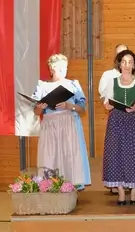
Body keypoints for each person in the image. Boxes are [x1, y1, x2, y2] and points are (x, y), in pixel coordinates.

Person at [32, 54, 91, 190]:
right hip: (50, 126)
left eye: (65, 68)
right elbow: (36, 111)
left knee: (69, 155)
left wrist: (70, 106)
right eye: (60, 68)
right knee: (50, 156)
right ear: (52, 69)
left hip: (68, 125)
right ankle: (51, 187)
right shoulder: (42, 86)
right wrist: (40, 108)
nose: (64, 71)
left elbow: (82, 108)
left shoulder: (72, 85)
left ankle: (70, 189)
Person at [102, 49, 135, 205]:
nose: (127, 65)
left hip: (134, 121)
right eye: (124, 61)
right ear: (119, 64)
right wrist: (108, 105)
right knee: (116, 154)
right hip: (116, 121)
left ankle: (134, 191)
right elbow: (107, 101)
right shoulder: (112, 81)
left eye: (130, 62)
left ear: (134, 64)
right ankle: (121, 191)